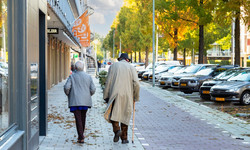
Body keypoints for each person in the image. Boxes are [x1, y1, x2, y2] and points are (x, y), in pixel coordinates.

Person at [103, 53, 140, 144]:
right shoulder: (131, 68)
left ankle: (117, 130)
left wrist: (106, 96)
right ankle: (124, 138)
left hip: (115, 94)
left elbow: (108, 82)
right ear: (127, 60)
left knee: (114, 115)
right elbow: (137, 83)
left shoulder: (113, 66)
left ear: (120, 59)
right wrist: (136, 96)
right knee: (125, 116)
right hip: (128, 95)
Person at [64, 61, 96, 143]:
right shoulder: (88, 77)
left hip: (75, 101)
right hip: (85, 101)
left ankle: (81, 137)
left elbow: (67, 87)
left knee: (78, 119)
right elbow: (93, 89)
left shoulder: (72, 77)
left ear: (75, 67)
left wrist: (69, 95)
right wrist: (88, 95)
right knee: (83, 117)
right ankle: (81, 135)